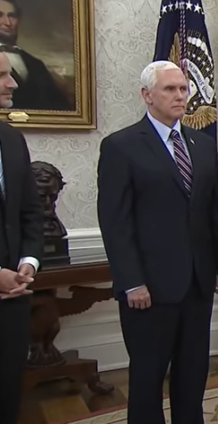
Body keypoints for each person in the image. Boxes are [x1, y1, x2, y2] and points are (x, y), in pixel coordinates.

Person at [97, 60, 218, 424]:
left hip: (198, 283)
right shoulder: (121, 146)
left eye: (183, 88)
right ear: (147, 95)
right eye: (170, 89)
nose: (180, 96)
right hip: (149, 288)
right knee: (148, 378)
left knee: (193, 375)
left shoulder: (202, 145)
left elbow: (216, 210)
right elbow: (115, 222)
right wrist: (131, 281)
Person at [0, 50, 43, 424]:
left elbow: (31, 212)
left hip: (13, 298)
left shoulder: (13, 141)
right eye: (2, 76)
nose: (12, 83)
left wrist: (28, 262)